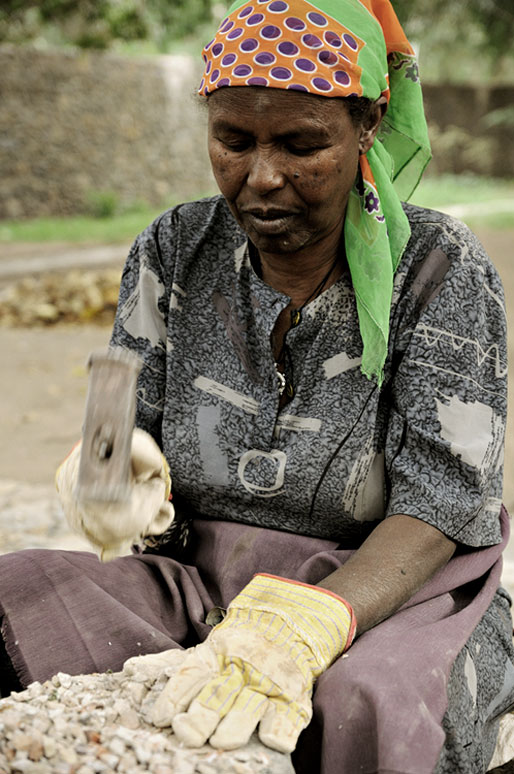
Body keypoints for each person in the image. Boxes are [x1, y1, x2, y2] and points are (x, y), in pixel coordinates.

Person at [1, 0, 513, 771]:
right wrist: (108, 470)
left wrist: (310, 622)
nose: (262, 176)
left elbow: (441, 504)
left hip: (390, 595)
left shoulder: (441, 269)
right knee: (20, 594)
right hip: (200, 580)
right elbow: (113, 419)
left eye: (303, 145)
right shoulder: (173, 248)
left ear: (368, 124)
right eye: (233, 141)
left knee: (368, 700)